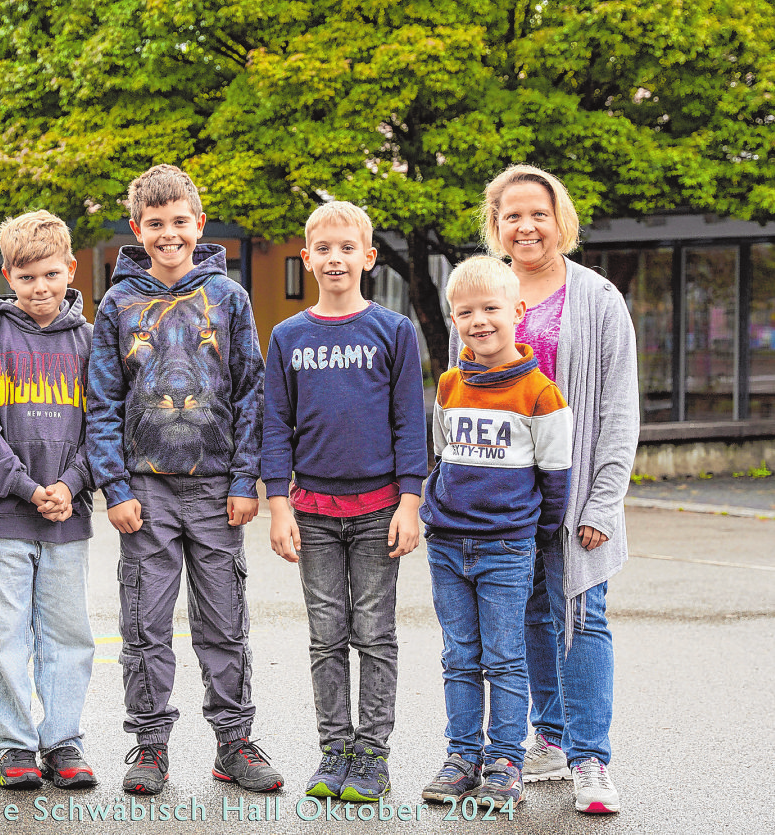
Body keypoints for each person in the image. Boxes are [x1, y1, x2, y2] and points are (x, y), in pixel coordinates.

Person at [86, 164, 282, 796]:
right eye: (155, 224)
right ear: (138, 229)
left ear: (198, 224)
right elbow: (102, 399)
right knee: (145, 624)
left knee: (224, 622)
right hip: (145, 492)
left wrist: (244, 477)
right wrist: (114, 486)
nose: (168, 234)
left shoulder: (230, 299)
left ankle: (233, 741)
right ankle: (149, 746)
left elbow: (251, 390)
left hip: (217, 489)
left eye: (179, 222)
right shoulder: (117, 302)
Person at [458, 164, 639, 814]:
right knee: (532, 617)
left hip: (576, 494)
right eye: (511, 215)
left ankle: (591, 757)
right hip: (504, 500)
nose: (525, 225)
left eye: (537, 212)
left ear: (558, 217)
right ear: (496, 225)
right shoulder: (484, 292)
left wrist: (602, 502)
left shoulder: (597, 298)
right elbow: (463, 405)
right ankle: (552, 738)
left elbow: (619, 410)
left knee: (583, 619)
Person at [263, 201, 428, 802]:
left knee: (375, 633)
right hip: (313, 512)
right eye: (324, 250)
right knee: (326, 632)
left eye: (347, 248)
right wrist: (277, 504)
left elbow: (411, 422)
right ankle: (334, 753)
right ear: (306, 259)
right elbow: (275, 426)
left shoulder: (394, 331)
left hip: (380, 510)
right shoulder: (287, 337)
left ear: (368, 256)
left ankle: (373, 757)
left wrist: (411, 501)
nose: (336, 258)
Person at [420, 256, 572, 809]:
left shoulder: (541, 394)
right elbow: (440, 455)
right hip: (447, 546)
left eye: (491, 309)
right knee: (459, 655)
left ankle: (505, 761)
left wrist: (533, 532)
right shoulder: (448, 383)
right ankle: (462, 755)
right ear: (453, 318)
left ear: (518, 312)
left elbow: (556, 478)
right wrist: (437, 512)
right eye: (466, 312)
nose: (479, 320)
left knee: (505, 657)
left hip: (507, 547)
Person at [0, 211, 98, 791]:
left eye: (49, 274)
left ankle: (62, 740)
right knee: (4, 634)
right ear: (8, 276)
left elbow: (106, 423)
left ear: (69, 268)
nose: (39, 288)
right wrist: (25, 486)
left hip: (69, 513)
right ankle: (14, 744)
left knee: (69, 633)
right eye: (25, 277)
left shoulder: (92, 341)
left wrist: (71, 483)